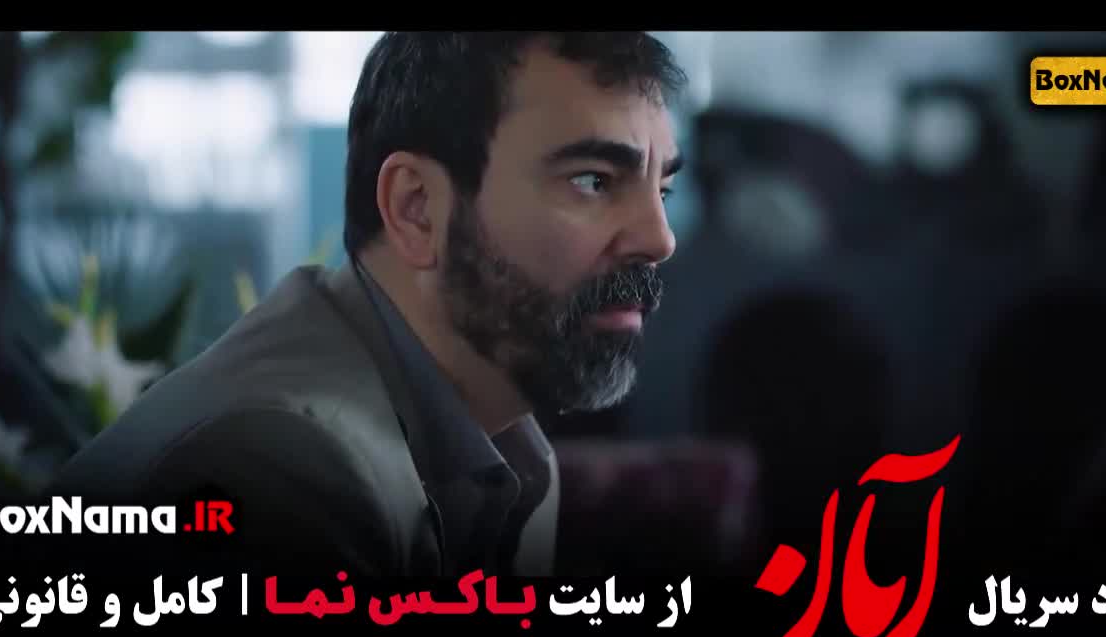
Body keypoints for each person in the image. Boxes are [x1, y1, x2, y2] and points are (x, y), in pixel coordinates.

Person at [50, 32, 686, 581]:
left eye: (662, 190)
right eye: (593, 180)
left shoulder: (514, 453)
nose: (659, 240)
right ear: (417, 209)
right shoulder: (282, 466)